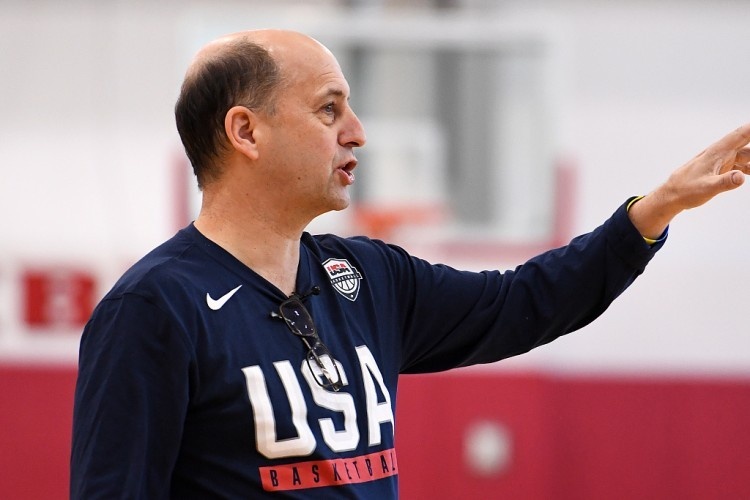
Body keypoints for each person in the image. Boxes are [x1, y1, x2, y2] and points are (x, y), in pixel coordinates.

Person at [70, 29, 750, 498]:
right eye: (329, 109)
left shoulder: (370, 278)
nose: (357, 131)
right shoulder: (154, 308)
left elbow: (526, 301)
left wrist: (656, 208)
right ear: (246, 131)